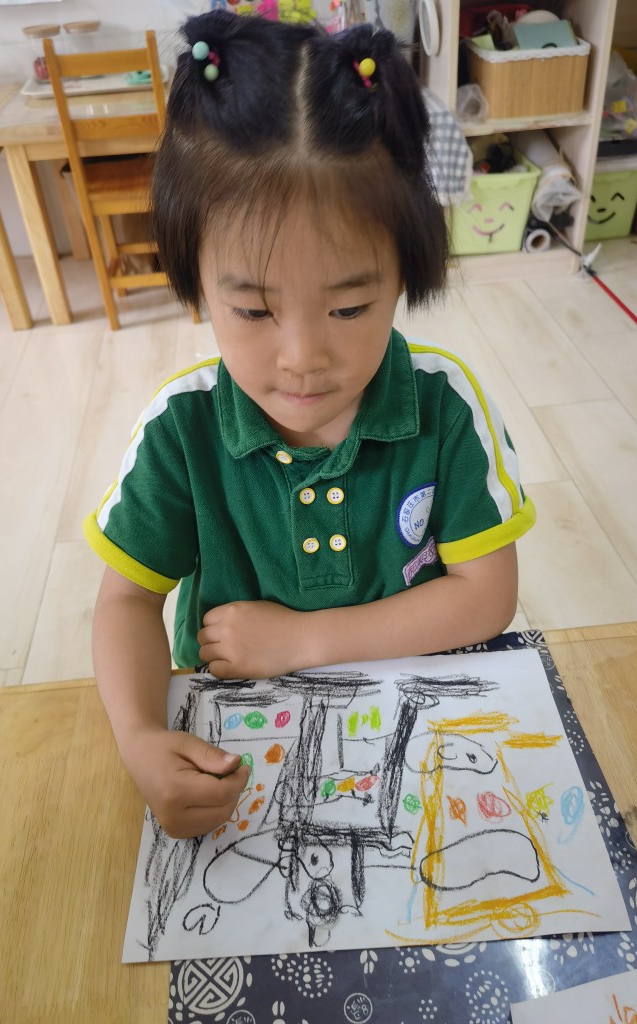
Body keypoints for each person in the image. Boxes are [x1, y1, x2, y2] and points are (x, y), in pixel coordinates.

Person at [84, 11, 535, 839]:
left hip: (416, 737)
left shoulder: (444, 406)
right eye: (254, 310)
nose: (301, 359)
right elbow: (125, 603)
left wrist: (302, 639)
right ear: (195, 286)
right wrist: (139, 736)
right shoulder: (182, 429)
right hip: (243, 748)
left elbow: (487, 597)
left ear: (406, 276)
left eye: (350, 307)